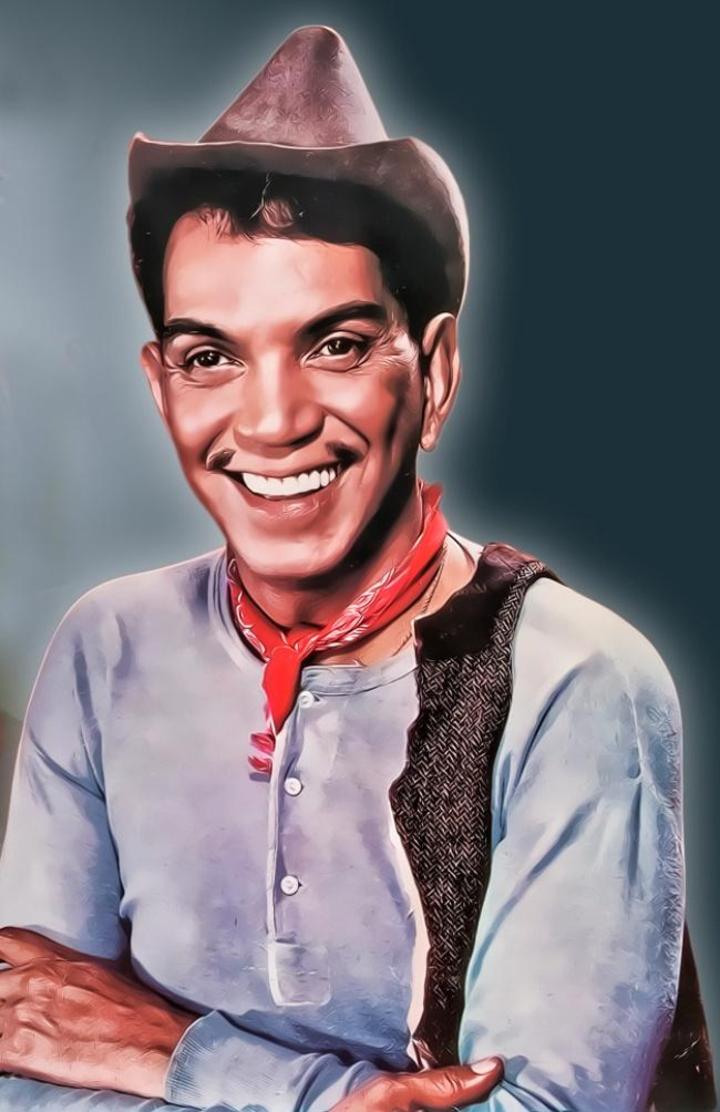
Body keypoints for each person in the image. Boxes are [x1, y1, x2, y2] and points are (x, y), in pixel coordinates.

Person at [0, 25, 713, 1112]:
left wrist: (167, 1054)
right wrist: (336, 1099)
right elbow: (27, 1057)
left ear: (435, 371)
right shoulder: (106, 647)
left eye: (334, 344)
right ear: (160, 385)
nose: (272, 421)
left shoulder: (578, 681)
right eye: (209, 356)